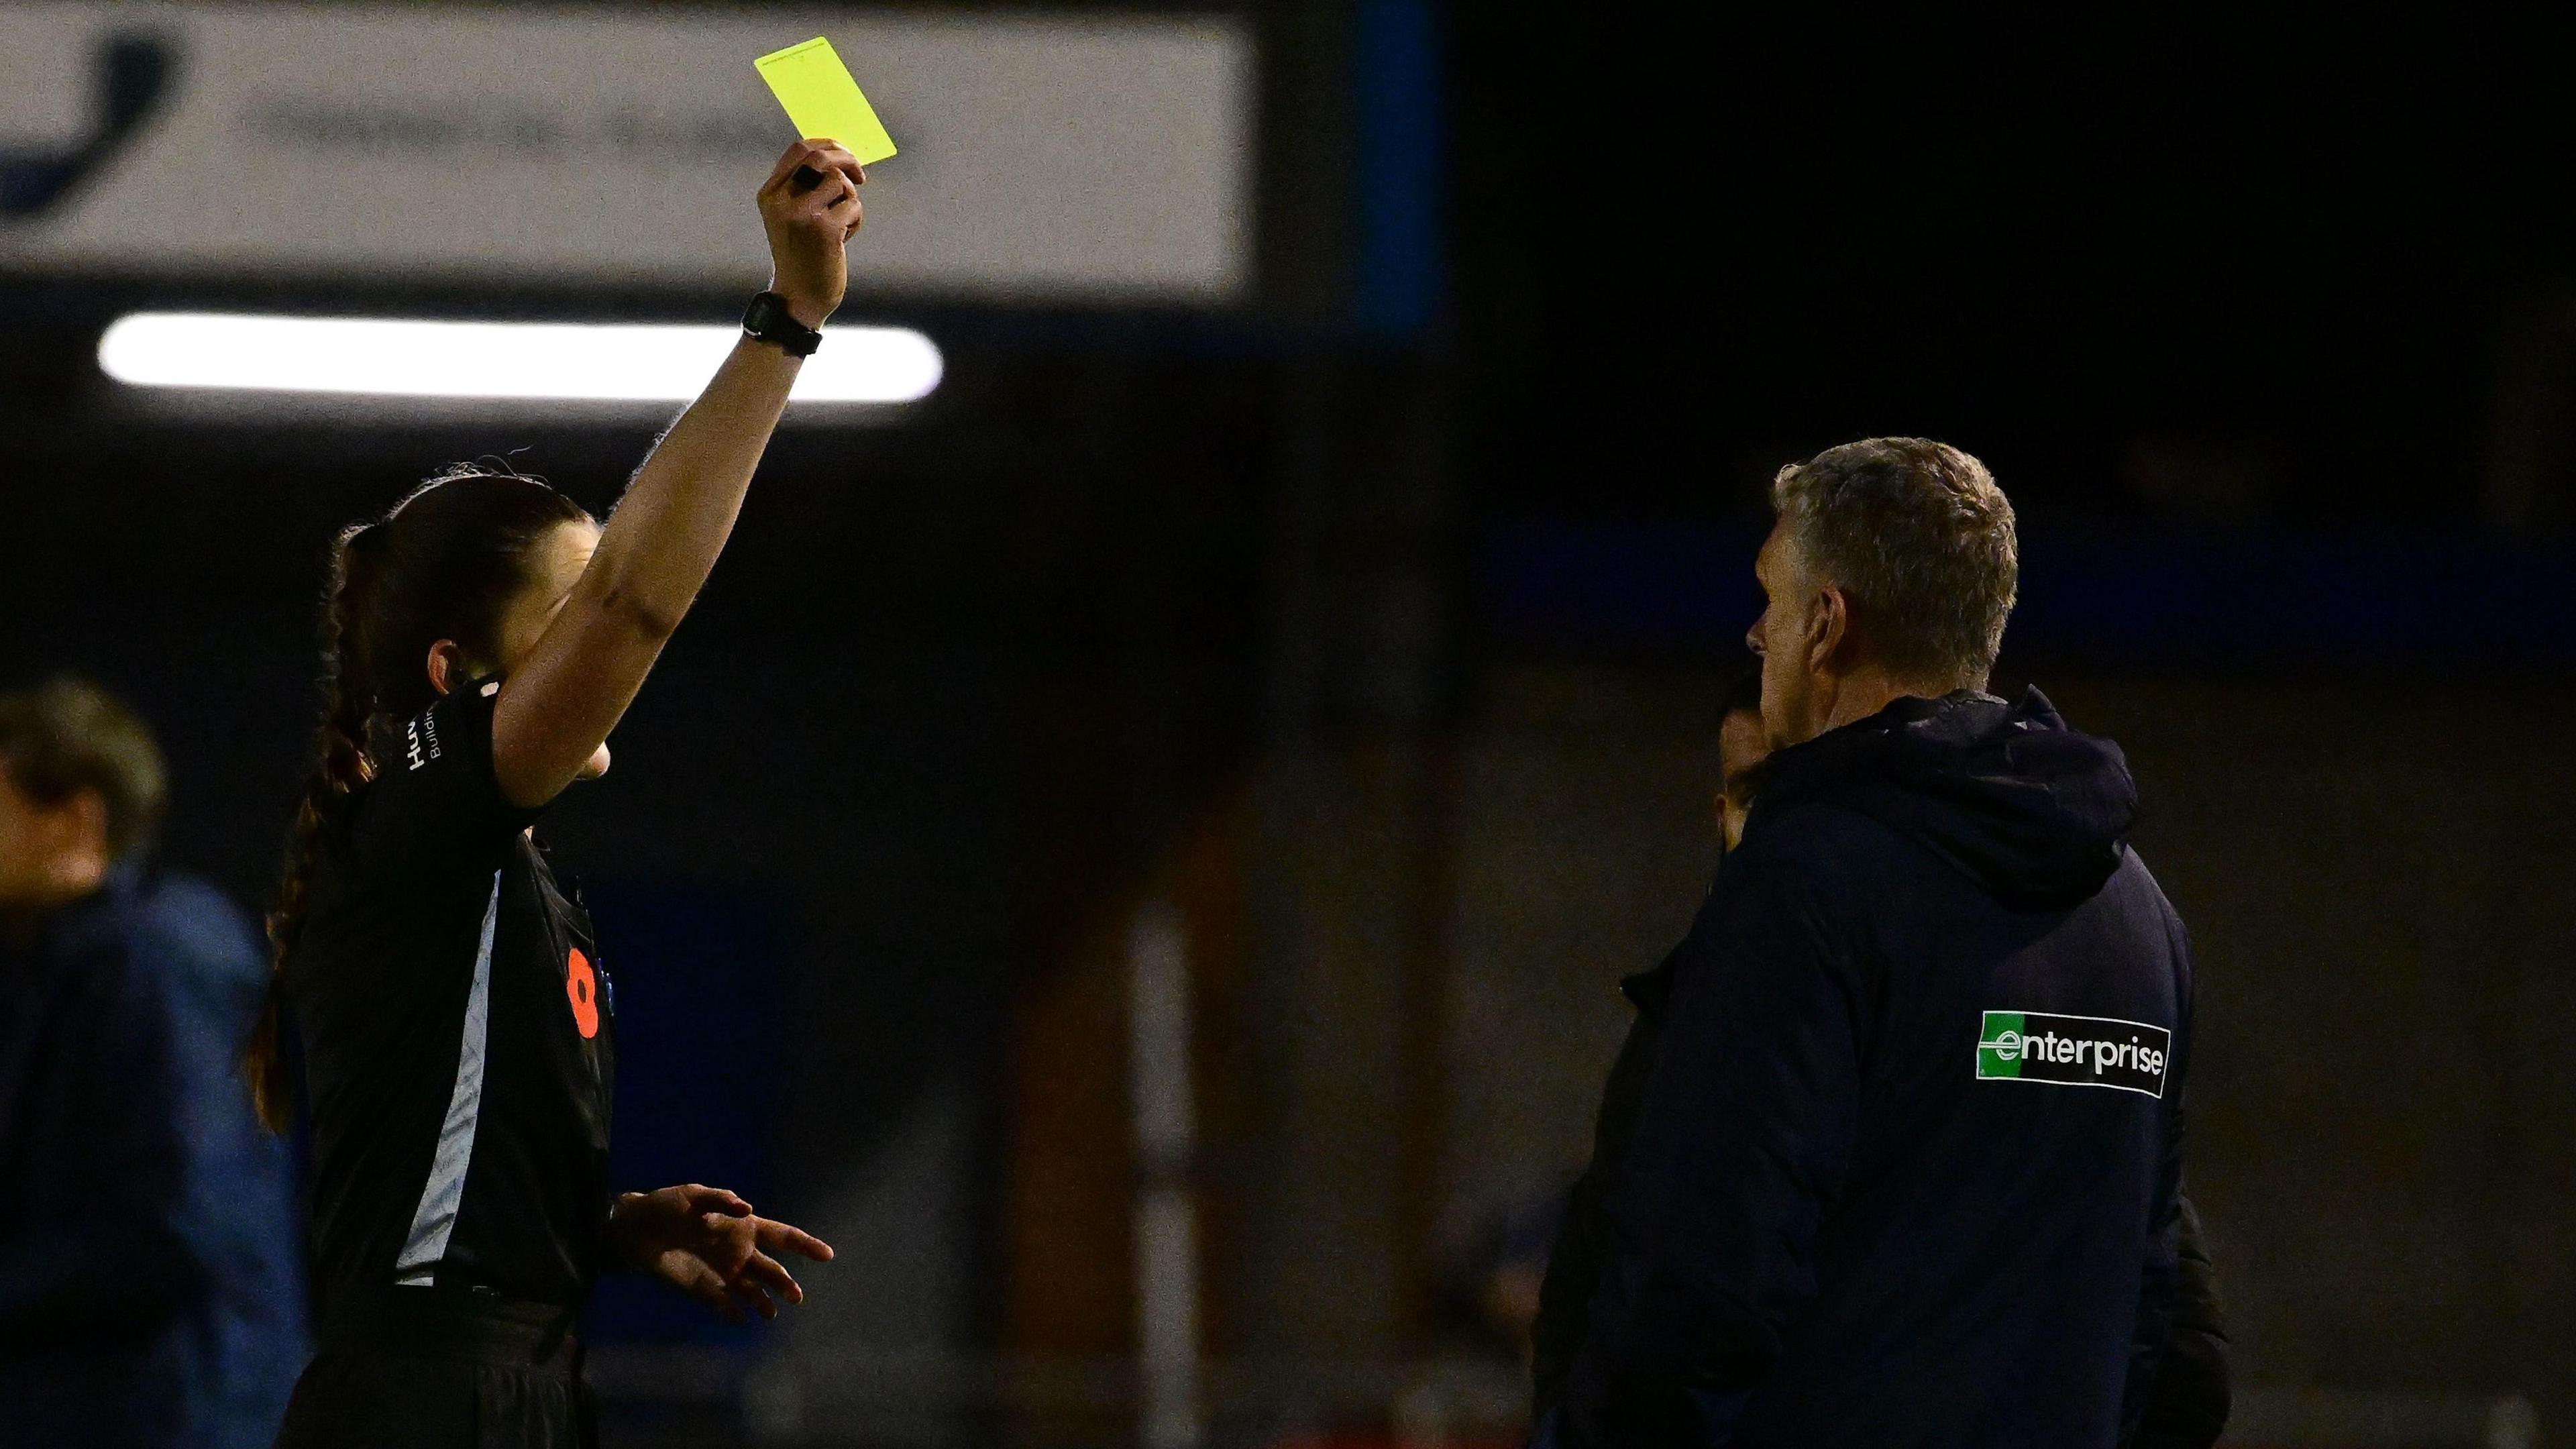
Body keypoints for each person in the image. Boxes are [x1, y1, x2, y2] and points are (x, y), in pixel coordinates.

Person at [251, 139, 869, 1448]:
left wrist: (596, 1236)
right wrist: (789, 320)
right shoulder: (414, 807)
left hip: (516, 1384)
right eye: (566, 612)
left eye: (591, 607)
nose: (605, 643)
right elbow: (645, 600)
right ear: (455, 676)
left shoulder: (504, 875)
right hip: (425, 1410)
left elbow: (428, 1187)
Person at [1550, 439, 2224, 1446]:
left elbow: (1701, 1286)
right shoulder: (2137, 916)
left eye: (1771, 602)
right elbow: (2153, 1308)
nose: (1755, 632)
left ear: (1827, 626)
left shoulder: (1807, 883)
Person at [0, 677, 307, 1449]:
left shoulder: (160, 962)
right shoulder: (67, 963)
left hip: (177, 1415)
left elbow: (180, 1227)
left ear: (75, 819)